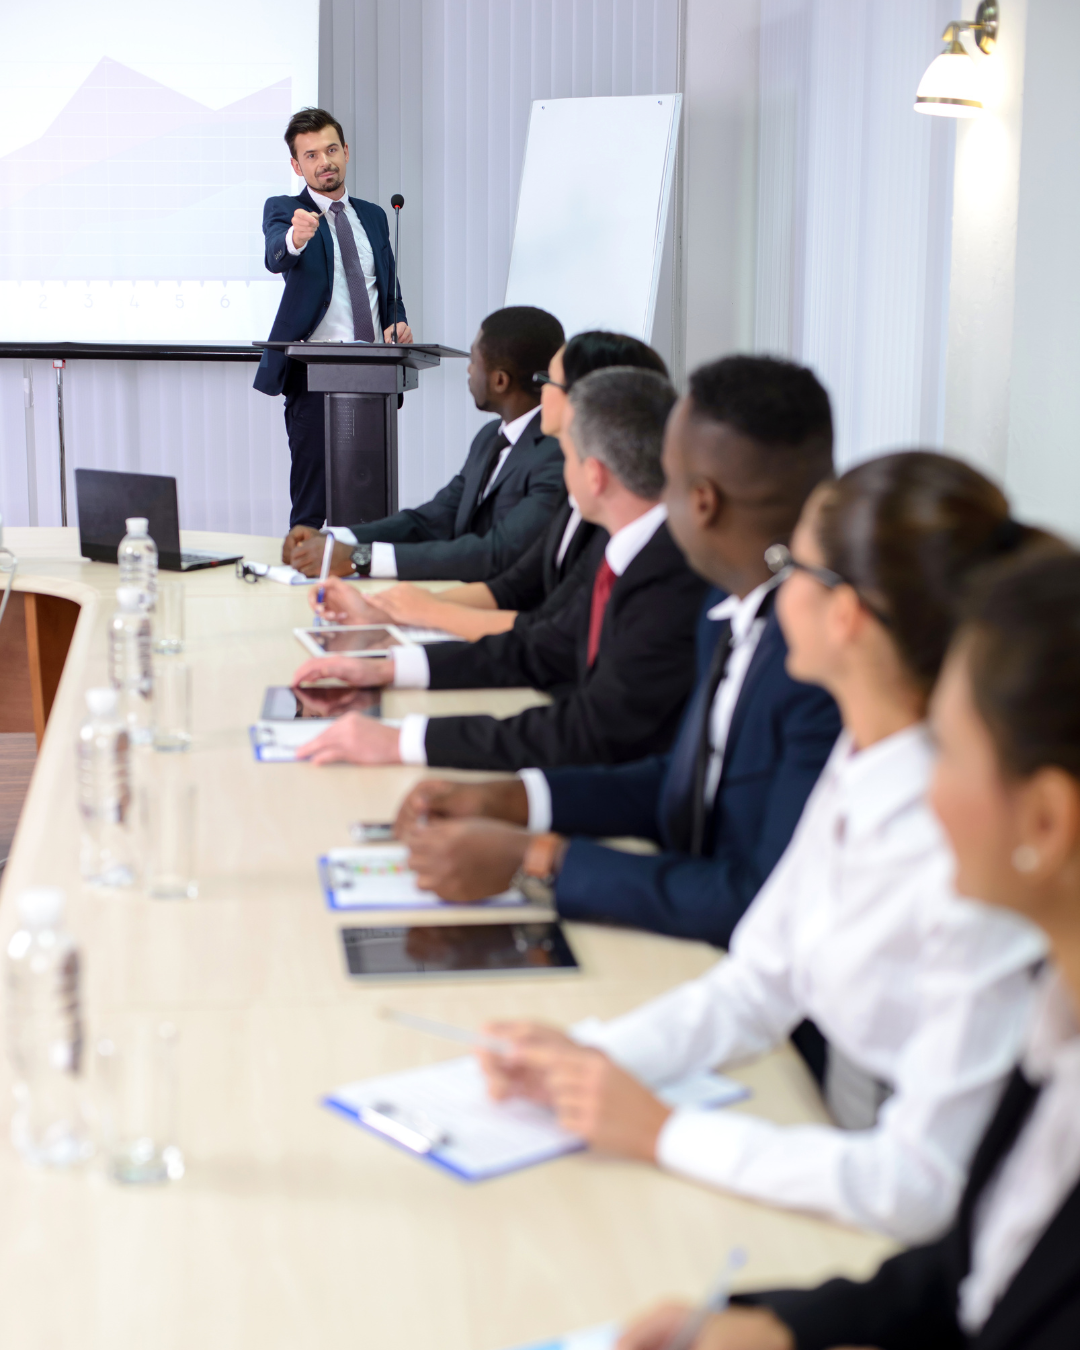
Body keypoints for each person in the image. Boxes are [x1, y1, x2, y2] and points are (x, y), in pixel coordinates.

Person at [470, 452, 1050, 1244]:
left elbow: (918, 1183)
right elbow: (759, 979)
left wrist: (663, 1132)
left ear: (845, 614)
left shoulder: (964, 837)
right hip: (847, 1160)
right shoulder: (861, 756)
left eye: (792, 564)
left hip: (927, 1226)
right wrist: (589, 1059)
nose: (775, 586)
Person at [620, 551, 1080, 1350]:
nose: (925, 789)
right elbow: (967, 1274)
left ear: (1045, 822)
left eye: (950, 752)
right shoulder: (1056, 1022)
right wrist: (782, 1328)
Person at [391, 356, 843, 952]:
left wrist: (541, 859)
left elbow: (758, 898)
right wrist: (515, 797)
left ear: (700, 501)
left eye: (666, 478)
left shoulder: (815, 663)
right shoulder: (729, 610)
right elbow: (686, 785)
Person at [291, 367, 710, 772]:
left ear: (594, 475)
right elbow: (544, 646)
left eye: (566, 455)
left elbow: (593, 727)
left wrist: (404, 739)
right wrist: (389, 668)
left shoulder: (666, 573)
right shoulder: (622, 546)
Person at [307, 331, 668, 640]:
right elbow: (444, 519)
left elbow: (507, 566)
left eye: (549, 382)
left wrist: (364, 564)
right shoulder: (491, 440)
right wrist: (364, 573)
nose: (540, 391)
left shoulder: (563, 469)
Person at [282, 306, 567, 581]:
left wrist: (359, 558)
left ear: (500, 380)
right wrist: (334, 539)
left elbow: (493, 551)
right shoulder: (491, 437)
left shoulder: (556, 454)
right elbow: (434, 518)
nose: (469, 370)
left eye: (475, 361)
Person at [253, 108, 413, 529]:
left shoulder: (376, 216)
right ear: (296, 165)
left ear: (345, 150)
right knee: (312, 502)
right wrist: (295, 237)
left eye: (330, 149)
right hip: (313, 375)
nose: (324, 161)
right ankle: (299, 585)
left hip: (373, 375)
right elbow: (275, 255)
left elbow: (388, 290)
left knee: (370, 499)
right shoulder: (287, 209)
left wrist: (396, 323)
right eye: (310, 155)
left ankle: (366, 578)